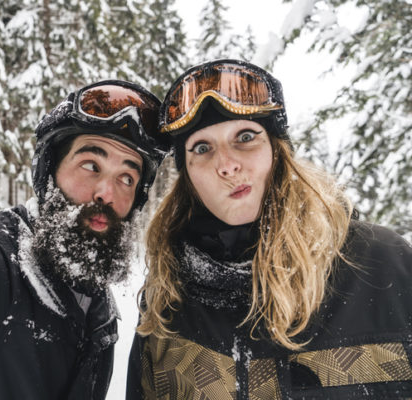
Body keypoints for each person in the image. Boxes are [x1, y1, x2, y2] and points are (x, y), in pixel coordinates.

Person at [127, 59, 412, 399]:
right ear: (187, 179)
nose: (228, 164)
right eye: (202, 148)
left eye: (245, 137)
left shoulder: (382, 263)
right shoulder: (166, 304)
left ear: (278, 151)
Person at [0, 80, 168, 400]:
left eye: (126, 178)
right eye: (91, 165)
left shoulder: (95, 301)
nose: (107, 192)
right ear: (50, 174)